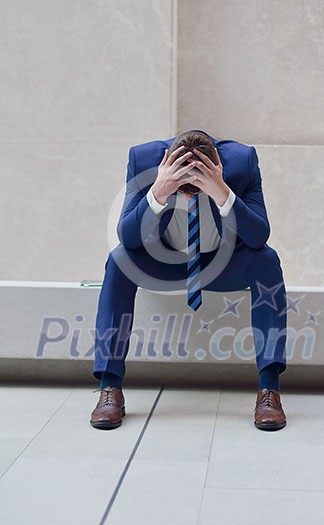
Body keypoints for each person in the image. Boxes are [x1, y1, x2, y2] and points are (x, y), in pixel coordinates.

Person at [90, 129, 287, 431]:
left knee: (267, 260)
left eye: (197, 185)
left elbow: (258, 237)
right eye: (184, 182)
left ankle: (269, 388)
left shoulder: (242, 162)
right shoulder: (143, 160)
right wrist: (159, 190)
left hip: (222, 264)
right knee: (119, 260)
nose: (189, 191)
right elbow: (128, 238)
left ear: (216, 165)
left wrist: (221, 190)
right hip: (165, 262)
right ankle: (110, 386)